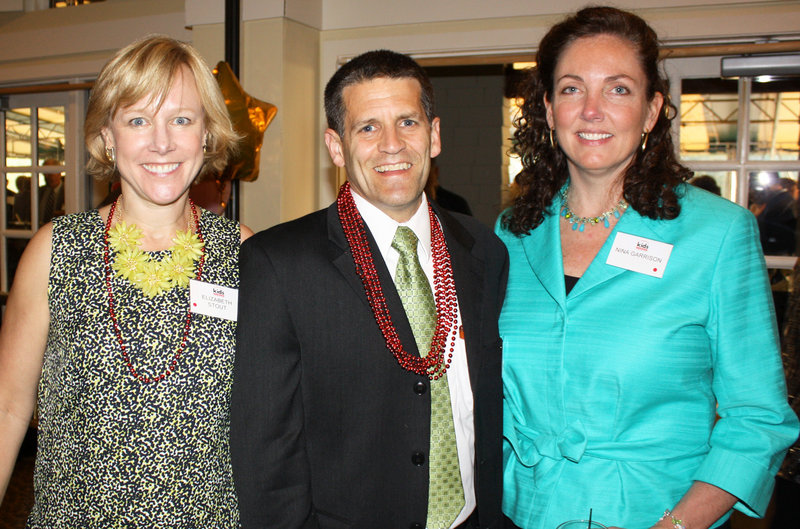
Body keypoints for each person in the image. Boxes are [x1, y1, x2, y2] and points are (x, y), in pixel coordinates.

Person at [496, 7, 799, 529]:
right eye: (571, 89)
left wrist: (674, 527)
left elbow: (758, 419)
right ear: (547, 109)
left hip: (650, 515)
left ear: (652, 110)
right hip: (518, 511)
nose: (592, 110)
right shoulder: (510, 234)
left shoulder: (716, 234)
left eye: (618, 89)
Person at [231, 49, 508, 529]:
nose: (392, 145)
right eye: (368, 128)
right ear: (336, 147)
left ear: (434, 135)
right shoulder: (278, 264)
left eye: (407, 122)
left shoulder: (482, 247)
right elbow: (264, 448)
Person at [0, 35, 251, 526]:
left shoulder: (247, 255)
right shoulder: (56, 250)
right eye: (138, 120)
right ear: (108, 137)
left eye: (181, 119)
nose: (162, 142)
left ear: (207, 133)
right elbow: (8, 407)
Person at [38, 159, 65, 225]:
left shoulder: (68, 192)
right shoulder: (39, 192)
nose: (47, 176)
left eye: (50, 172)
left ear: (59, 172)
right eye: (44, 173)